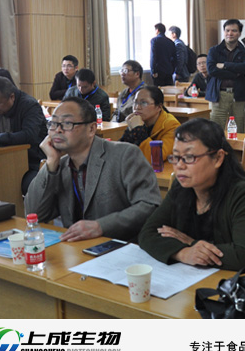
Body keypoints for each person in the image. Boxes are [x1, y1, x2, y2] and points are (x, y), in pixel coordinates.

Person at [138, 118, 245, 271]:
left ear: (218, 158)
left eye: (189, 157)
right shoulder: (181, 187)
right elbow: (147, 233)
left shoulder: (244, 194)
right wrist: (184, 253)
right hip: (198, 278)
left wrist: (191, 243)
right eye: (175, 157)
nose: (180, 166)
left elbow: (244, 255)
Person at [24, 96, 161, 242]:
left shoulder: (125, 155)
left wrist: (101, 226)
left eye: (67, 123)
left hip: (122, 246)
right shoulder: (59, 165)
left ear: (91, 129)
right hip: (77, 248)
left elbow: (150, 205)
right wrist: (51, 162)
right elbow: (34, 215)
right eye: (53, 123)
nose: (58, 130)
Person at [206, 19, 245, 133]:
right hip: (219, 95)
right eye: (227, 30)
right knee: (215, 131)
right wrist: (235, 73)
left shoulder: (244, 52)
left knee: (239, 131)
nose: (230, 33)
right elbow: (212, 70)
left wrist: (225, 65)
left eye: (234, 31)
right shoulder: (214, 50)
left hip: (238, 95)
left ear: (239, 33)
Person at [119, 85, 180, 162]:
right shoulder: (138, 121)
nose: (137, 107)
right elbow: (122, 152)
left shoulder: (172, 125)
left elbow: (156, 157)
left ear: (159, 107)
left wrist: (138, 129)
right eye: (135, 102)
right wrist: (131, 129)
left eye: (143, 103)